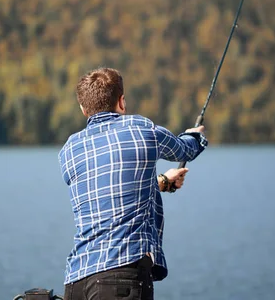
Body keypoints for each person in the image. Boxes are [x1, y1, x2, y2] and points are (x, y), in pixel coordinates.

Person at [59, 67, 208, 300]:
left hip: (77, 280)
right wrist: (195, 135)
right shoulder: (141, 129)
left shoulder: (69, 150)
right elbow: (185, 148)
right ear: (122, 101)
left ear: (83, 109)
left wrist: (160, 182)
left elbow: (109, 193)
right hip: (121, 277)